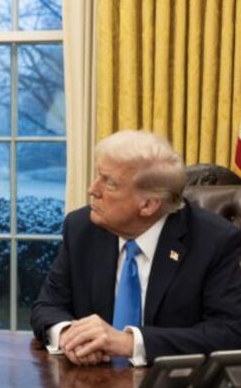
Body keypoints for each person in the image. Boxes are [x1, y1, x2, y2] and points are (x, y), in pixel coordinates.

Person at [30, 129, 241, 366]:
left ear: (148, 205)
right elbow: (47, 306)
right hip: (91, 376)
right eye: (98, 176)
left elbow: (229, 332)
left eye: (109, 183)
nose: (93, 189)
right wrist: (70, 335)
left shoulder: (214, 240)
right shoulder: (82, 228)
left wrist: (130, 343)